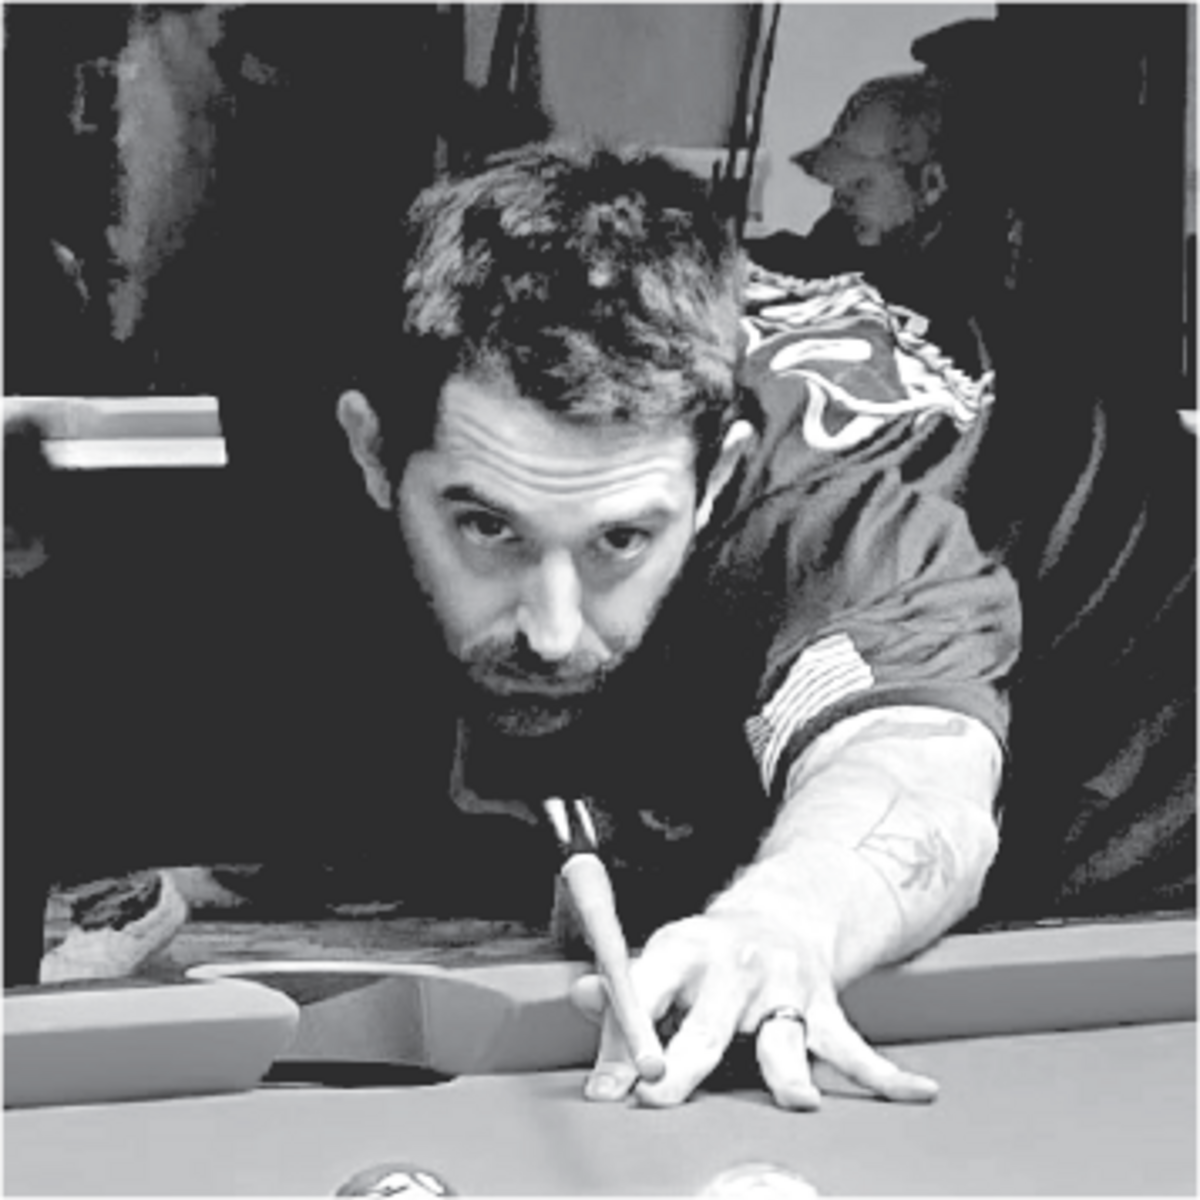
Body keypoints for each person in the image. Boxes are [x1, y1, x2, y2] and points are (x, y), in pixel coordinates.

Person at [30, 144, 1019, 1110]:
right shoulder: (343, 428)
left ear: (714, 479)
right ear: (371, 451)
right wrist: (204, 875)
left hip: (1088, 785)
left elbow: (913, 767)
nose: (551, 627)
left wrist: (784, 919)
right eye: (489, 529)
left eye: (619, 540)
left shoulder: (836, 524)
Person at [748, 72, 996, 378]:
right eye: (838, 186)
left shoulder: (965, 302)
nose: (841, 201)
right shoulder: (848, 235)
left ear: (931, 183)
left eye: (861, 185)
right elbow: (804, 263)